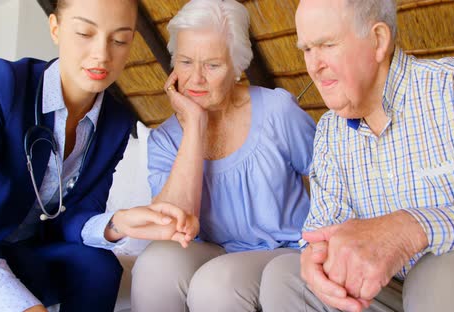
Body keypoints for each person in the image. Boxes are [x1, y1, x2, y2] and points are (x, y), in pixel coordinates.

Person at [259, 0, 454, 311]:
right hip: (396, 290)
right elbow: (322, 229)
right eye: (307, 50)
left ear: (378, 40)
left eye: (326, 44)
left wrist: (412, 227)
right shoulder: (330, 132)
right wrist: (314, 258)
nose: (313, 65)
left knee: (437, 278)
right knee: (286, 278)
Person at [0, 0, 197, 311]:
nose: (102, 54)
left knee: (99, 266)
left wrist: (118, 224)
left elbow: (73, 219)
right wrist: (21, 305)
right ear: (55, 28)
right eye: (84, 33)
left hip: (27, 251)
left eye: (119, 40)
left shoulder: (115, 123)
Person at [130, 0, 316, 311]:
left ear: (238, 67)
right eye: (186, 62)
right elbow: (172, 224)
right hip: (210, 249)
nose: (196, 78)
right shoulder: (165, 139)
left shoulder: (277, 112)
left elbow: (333, 175)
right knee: (153, 264)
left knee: (216, 284)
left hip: (282, 251)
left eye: (212, 65)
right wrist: (194, 127)